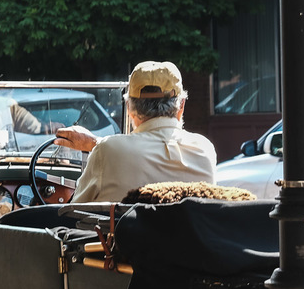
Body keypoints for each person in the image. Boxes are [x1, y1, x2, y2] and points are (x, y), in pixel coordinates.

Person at [54, 60, 216, 203]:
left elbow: (73, 213)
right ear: (181, 106)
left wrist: (99, 146)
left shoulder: (108, 151)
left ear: (129, 108)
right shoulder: (204, 150)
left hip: (125, 239)